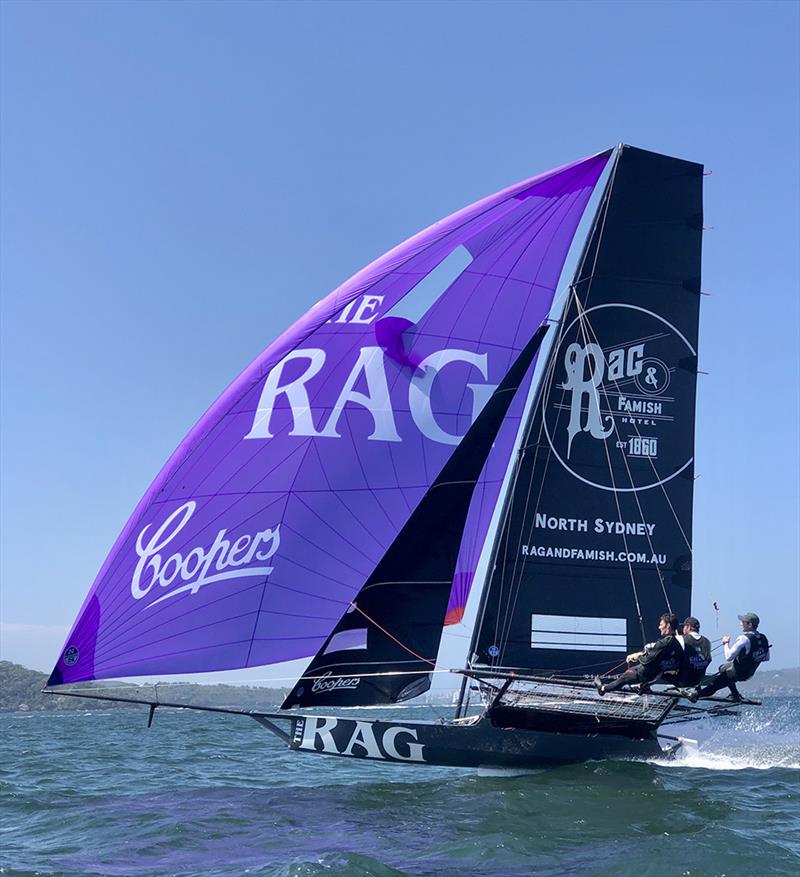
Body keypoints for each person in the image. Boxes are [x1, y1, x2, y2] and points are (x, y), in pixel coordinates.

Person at [685, 612, 770, 702]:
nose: (740, 624)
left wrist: (726, 643)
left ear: (749, 624)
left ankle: (695, 695)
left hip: (736, 673)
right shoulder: (764, 638)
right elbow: (766, 658)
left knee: (714, 686)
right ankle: (735, 694)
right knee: (722, 668)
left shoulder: (744, 639)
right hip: (749, 673)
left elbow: (728, 656)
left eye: (743, 622)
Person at [594, 613, 682, 695]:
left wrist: (637, 656)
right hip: (655, 675)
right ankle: (643, 687)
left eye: (661, 625)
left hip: (645, 673)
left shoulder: (663, 643)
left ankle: (602, 689)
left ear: (668, 626)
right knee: (634, 677)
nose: (659, 627)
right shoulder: (677, 643)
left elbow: (647, 660)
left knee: (623, 679)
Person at [666, 616, 712, 687]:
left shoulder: (681, 638)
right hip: (698, 680)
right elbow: (708, 659)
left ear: (688, 627)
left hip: (682, 680)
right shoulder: (707, 642)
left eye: (684, 626)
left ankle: (646, 688)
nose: (683, 629)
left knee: (660, 669)